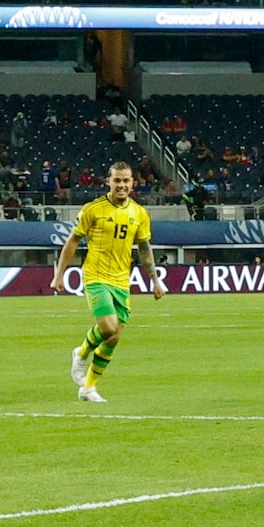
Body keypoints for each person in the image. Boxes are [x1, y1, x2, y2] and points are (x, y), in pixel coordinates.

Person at [50, 161, 167, 402]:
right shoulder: (93, 209)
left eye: (126, 180)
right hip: (95, 276)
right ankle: (81, 353)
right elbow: (73, 241)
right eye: (117, 180)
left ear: (133, 183)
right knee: (108, 327)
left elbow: (144, 247)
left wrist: (155, 280)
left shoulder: (139, 213)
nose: (122, 185)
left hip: (121, 280)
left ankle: (88, 388)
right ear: (109, 182)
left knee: (114, 338)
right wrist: (59, 274)